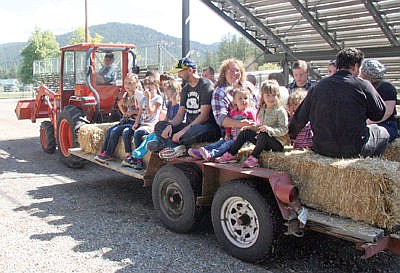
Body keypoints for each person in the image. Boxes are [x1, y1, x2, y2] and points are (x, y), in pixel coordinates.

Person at [289, 48, 389, 158]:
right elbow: (378, 114)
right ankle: (368, 162)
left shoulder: (318, 87)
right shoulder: (363, 85)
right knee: (383, 132)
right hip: (354, 149)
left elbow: (299, 119)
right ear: (355, 66)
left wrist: (290, 137)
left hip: (322, 148)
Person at [151, 57, 221, 159]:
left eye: (180, 72)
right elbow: (180, 114)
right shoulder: (185, 89)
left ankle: (164, 146)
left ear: (190, 70)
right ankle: (175, 148)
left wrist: (182, 132)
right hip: (190, 126)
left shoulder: (205, 85)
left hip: (206, 127)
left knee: (194, 131)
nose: (178, 75)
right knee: (160, 126)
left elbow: (204, 116)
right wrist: (170, 125)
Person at [216, 80, 290, 168]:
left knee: (263, 134)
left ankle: (254, 158)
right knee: (245, 132)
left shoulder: (280, 111)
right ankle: (231, 154)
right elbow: (260, 126)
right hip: (263, 141)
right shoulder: (263, 109)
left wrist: (269, 130)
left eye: (274, 95)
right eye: (268, 95)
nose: (271, 98)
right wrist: (250, 128)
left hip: (277, 143)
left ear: (278, 96)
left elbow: (284, 129)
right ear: (263, 96)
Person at [188, 86, 256, 161]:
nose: (243, 100)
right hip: (232, 137)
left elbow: (255, 125)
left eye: (246, 98)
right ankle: (201, 151)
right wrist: (227, 134)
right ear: (234, 101)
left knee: (226, 145)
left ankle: (211, 154)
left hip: (242, 141)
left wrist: (247, 126)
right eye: (240, 98)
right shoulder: (233, 113)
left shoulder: (250, 112)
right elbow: (230, 126)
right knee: (220, 142)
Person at [127, 79, 181, 169]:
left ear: (173, 90)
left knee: (154, 135)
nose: (165, 92)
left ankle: (137, 156)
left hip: (174, 129)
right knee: (150, 136)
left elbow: (179, 120)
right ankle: (136, 155)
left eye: (167, 90)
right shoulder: (169, 104)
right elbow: (167, 119)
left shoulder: (179, 105)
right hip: (167, 128)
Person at [95, 73, 141, 162]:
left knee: (115, 131)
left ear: (136, 84)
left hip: (136, 121)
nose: (127, 85)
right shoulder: (126, 95)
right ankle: (103, 151)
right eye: (126, 83)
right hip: (128, 120)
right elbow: (120, 104)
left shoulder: (138, 95)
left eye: (130, 83)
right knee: (109, 130)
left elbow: (143, 110)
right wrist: (124, 113)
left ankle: (108, 154)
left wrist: (131, 112)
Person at [121, 75, 163, 167]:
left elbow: (150, 111)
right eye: (145, 84)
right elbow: (140, 112)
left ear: (155, 86)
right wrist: (136, 123)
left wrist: (148, 99)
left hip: (151, 125)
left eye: (150, 84)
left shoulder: (158, 98)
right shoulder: (143, 99)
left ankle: (138, 159)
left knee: (138, 133)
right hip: (142, 124)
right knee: (126, 132)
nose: (147, 86)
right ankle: (129, 154)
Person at [211, 58, 257, 137]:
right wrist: (240, 124)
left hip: (254, 127)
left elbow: (260, 105)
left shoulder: (249, 86)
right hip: (233, 133)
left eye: (237, 70)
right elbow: (220, 119)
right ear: (224, 73)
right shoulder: (219, 91)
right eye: (231, 71)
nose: (235, 73)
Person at [359, 59, 399, 142]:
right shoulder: (360, 86)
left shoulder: (386, 87)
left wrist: (367, 123)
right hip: (365, 124)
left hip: (385, 124)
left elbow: (387, 112)